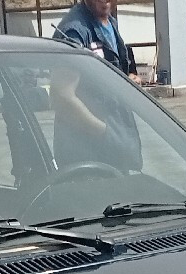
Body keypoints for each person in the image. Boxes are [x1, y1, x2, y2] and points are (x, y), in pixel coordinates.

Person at [50, 0, 144, 173]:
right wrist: (105, 133)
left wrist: (127, 80)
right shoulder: (74, 32)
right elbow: (62, 97)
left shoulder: (110, 23)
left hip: (114, 146)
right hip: (88, 156)